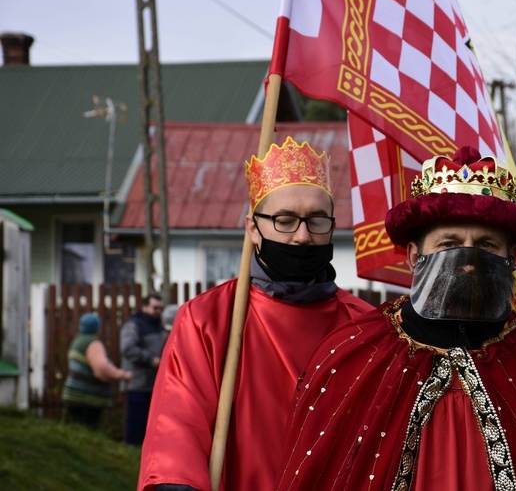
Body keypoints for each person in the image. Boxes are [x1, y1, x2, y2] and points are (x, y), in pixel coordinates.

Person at [275, 147, 516, 490]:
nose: (468, 259)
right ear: (414, 256)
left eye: (485, 245)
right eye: (449, 243)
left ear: (511, 257)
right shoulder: (349, 356)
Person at [137, 137, 373, 490]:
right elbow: (177, 426)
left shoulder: (365, 326)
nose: (303, 236)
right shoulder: (208, 318)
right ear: (253, 228)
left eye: (317, 221)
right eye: (285, 220)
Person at [62, 312, 132, 430]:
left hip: (74, 392)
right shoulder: (93, 344)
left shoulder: (78, 341)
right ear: (97, 327)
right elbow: (101, 369)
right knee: (88, 429)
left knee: (75, 429)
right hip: (87, 396)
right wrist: (122, 374)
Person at [120, 292, 168, 445]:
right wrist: (151, 360)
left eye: (161, 308)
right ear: (144, 307)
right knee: (136, 423)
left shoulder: (158, 326)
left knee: (152, 425)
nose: (158, 312)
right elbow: (128, 348)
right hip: (138, 384)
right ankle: (131, 453)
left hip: (155, 385)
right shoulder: (134, 325)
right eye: (155, 308)